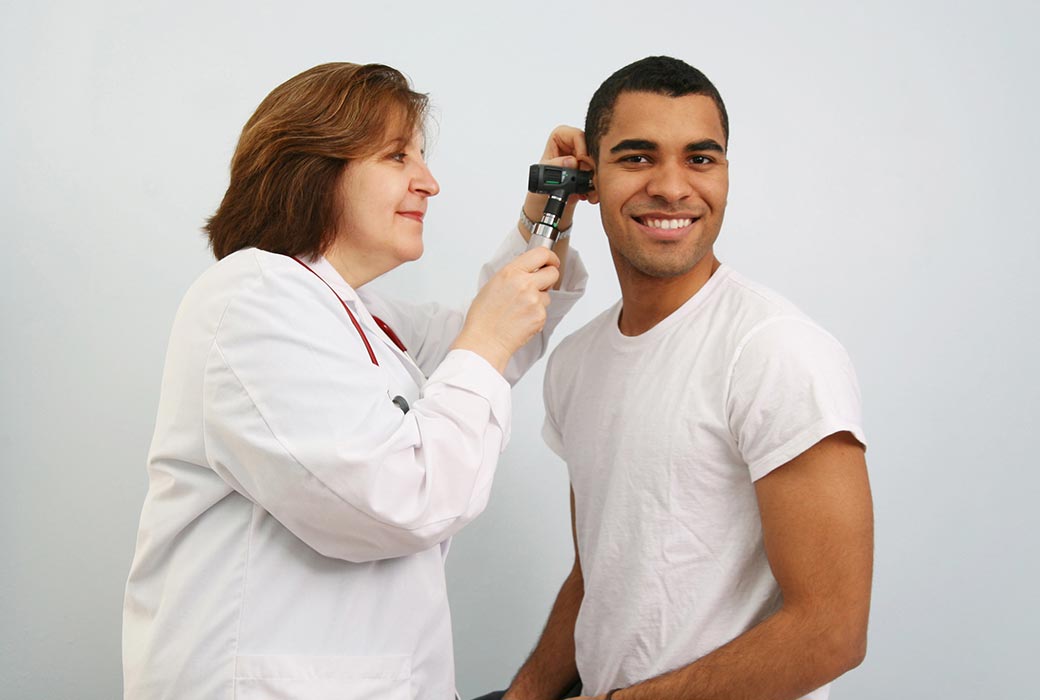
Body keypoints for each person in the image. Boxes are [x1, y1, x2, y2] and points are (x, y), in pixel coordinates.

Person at [122, 61, 591, 699]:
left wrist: (548, 213)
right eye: (398, 156)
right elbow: (404, 498)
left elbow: (491, 341)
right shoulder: (253, 299)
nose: (429, 183)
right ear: (314, 169)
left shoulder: (354, 315)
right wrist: (486, 338)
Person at [492, 56, 872, 700]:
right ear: (589, 179)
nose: (672, 188)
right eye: (638, 157)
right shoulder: (575, 362)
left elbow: (831, 632)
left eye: (700, 158)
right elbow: (600, 573)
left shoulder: (776, 351)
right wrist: (525, 694)